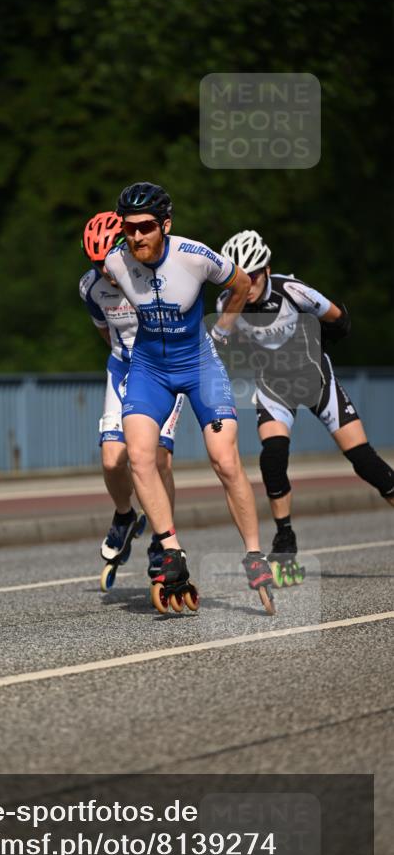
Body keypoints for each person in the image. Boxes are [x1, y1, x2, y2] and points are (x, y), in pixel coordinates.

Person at [104, 182, 273, 611]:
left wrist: (223, 330)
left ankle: (254, 554)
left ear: (165, 224)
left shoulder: (194, 256)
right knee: (140, 456)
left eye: (145, 227)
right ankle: (171, 548)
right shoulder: (115, 263)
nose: (136, 236)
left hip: (198, 365)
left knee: (224, 458)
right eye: (129, 228)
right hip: (148, 369)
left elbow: (239, 284)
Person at [218, 229, 394, 580]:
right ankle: (285, 540)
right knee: (272, 459)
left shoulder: (293, 291)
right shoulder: (226, 304)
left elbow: (340, 320)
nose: (247, 283)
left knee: (364, 461)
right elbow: (222, 346)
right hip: (273, 387)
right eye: (240, 276)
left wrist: (318, 343)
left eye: (254, 275)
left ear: (267, 269)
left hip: (316, 382)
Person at [81, 210, 184, 575]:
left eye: (108, 260)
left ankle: (162, 540)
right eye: (96, 263)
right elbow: (105, 330)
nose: (106, 271)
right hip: (124, 368)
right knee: (112, 459)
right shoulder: (90, 287)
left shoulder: (154, 276)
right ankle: (125, 517)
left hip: (164, 370)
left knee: (158, 460)